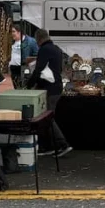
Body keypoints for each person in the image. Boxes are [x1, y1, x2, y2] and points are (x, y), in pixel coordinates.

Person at [26, 29, 72, 158]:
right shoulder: (57, 49)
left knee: (47, 117)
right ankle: (48, 147)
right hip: (56, 87)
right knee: (46, 117)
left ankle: (62, 144)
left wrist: (29, 84)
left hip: (49, 89)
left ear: (38, 39)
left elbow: (39, 69)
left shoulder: (44, 50)